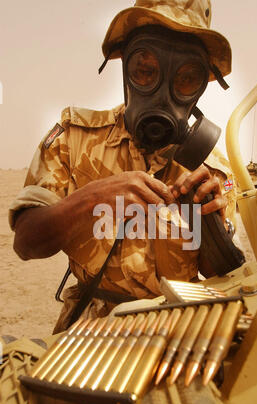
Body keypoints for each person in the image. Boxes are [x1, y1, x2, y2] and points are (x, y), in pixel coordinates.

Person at [9, 0, 237, 333]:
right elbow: (26, 243)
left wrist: (211, 227)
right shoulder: (74, 138)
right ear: (123, 64)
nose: (163, 93)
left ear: (203, 84)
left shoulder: (212, 173)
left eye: (186, 79)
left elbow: (220, 275)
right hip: (88, 331)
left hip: (178, 331)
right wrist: (93, 198)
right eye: (146, 70)